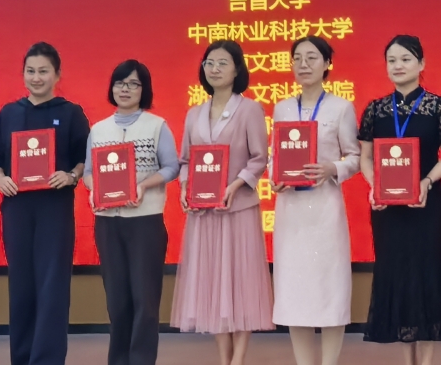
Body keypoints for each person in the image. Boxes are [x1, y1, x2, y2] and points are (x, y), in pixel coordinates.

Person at [0, 42, 91, 365]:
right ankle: (22, 357)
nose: (36, 77)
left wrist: (71, 175)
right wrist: (0, 177)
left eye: (44, 71)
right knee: (21, 284)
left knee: (52, 284)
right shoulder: (9, 113)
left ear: (57, 74)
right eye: (30, 71)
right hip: (17, 208)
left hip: (54, 208)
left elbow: (85, 156)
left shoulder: (70, 113)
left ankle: (47, 359)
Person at [358, 34, 441, 365]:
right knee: (397, 276)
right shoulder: (375, 109)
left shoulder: (439, 106)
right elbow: (365, 157)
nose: (398, 66)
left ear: (421, 64)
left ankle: (426, 360)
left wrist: (427, 182)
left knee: (427, 275)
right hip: (388, 209)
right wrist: (374, 186)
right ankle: (407, 359)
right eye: (392, 60)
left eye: (405, 59)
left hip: (426, 205)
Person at [171, 40, 274, 365]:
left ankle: (238, 360)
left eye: (222, 63)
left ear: (237, 70)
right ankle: (224, 358)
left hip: (237, 209)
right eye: (209, 63)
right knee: (213, 286)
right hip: (204, 213)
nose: (214, 69)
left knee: (241, 286)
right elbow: (185, 160)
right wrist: (184, 188)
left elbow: (259, 158)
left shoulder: (250, 109)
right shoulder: (194, 113)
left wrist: (235, 185)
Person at [270, 36, 361, 365]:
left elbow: (355, 156)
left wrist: (332, 168)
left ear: (327, 64)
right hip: (291, 211)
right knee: (294, 293)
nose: (303, 64)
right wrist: (274, 177)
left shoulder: (341, 107)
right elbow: (274, 155)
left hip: (325, 210)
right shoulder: (282, 108)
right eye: (297, 58)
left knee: (330, 289)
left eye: (311, 58)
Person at [83, 60, 180, 365]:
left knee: (145, 300)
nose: (125, 89)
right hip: (108, 223)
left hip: (145, 222)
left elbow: (172, 167)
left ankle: (141, 360)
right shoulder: (99, 129)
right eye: (120, 83)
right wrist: (94, 190)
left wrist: (143, 185)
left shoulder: (157, 126)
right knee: (117, 300)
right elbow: (88, 172)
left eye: (133, 84)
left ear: (143, 89)